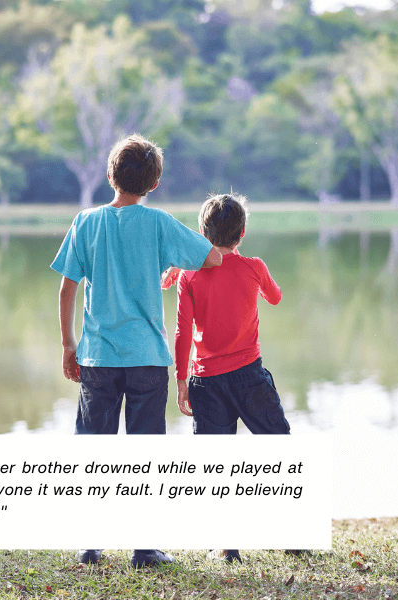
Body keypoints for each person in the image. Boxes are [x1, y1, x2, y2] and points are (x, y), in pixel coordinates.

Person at [50, 133, 223, 569]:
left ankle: (91, 543)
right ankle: (144, 549)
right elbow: (212, 259)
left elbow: (67, 288)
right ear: (155, 183)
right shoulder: (158, 222)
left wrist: (69, 344)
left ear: (109, 174)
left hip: (97, 359)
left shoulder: (85, 222)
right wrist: (167, 263)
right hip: (147, 357)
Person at [163, 193, 290, 564]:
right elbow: (277, 298)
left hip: (206, 381)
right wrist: (260, 283)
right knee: (278, 445)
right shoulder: (254, 266)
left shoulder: (189, 275)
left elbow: (182, 331)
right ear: (243, 232)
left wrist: (181, 380)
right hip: (249, 376)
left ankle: (226, 544)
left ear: (203, 233)